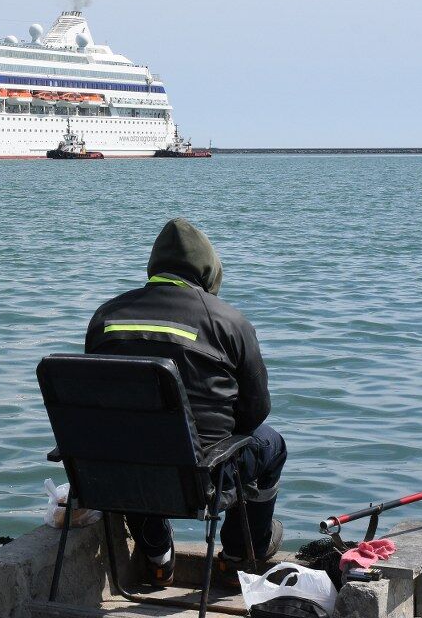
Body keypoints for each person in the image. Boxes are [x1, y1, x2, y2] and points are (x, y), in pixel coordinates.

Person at [84, 218, 287, 587]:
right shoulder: (229, 321)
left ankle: (158, 555)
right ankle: (240, 555)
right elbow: (256, 411)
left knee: (134, 439)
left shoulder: (105, 316)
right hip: (201, 477)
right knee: (271, 444)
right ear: (209, 271)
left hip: (116, 477)